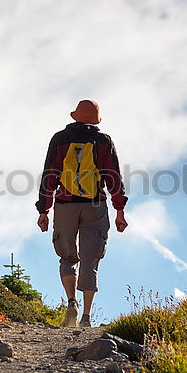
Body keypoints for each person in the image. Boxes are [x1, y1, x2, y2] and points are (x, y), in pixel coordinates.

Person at [36, 100, 128, 327]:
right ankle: (86, 316)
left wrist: (44, 209)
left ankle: (71, 303)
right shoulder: (103, 141)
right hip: (94, 205)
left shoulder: (60, 138)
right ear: (96, 119)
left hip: (65, 205)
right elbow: (113, 176)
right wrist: (120, 210)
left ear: (76, 116)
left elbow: (50, 174)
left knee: (67, 258)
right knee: (91, 260)